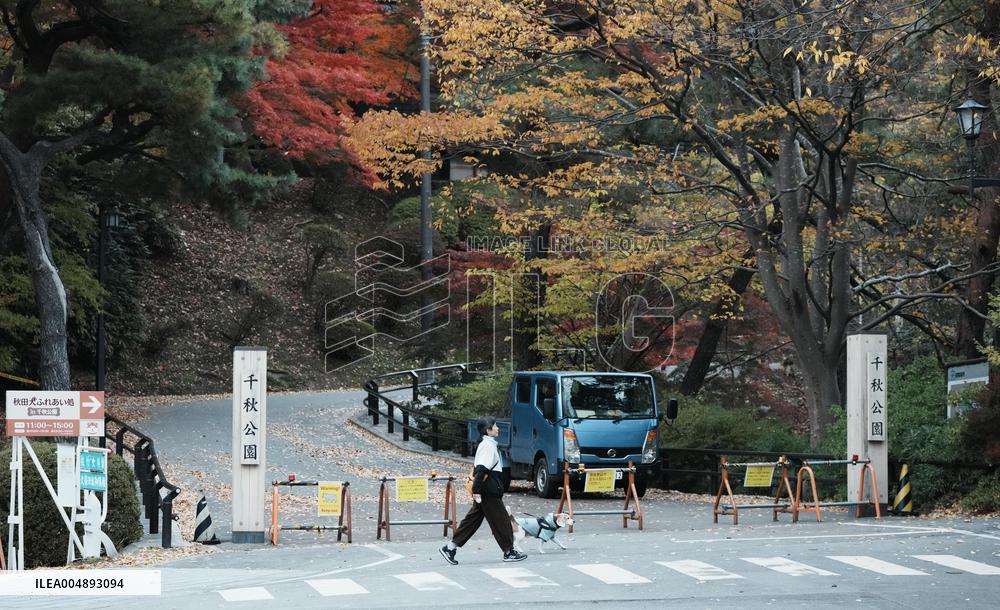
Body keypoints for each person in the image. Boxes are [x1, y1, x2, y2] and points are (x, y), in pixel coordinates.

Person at [440, 416, 527, 564]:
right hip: (488, 491)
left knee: (472, 521)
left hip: (486, 490)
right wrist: (477, 491)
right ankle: (508, 551)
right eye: (495, 426)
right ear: (488, 430)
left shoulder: (489, 444)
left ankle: (450, 547)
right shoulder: (487, 446)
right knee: (501, 520)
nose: (498, 428)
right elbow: (481, 469)